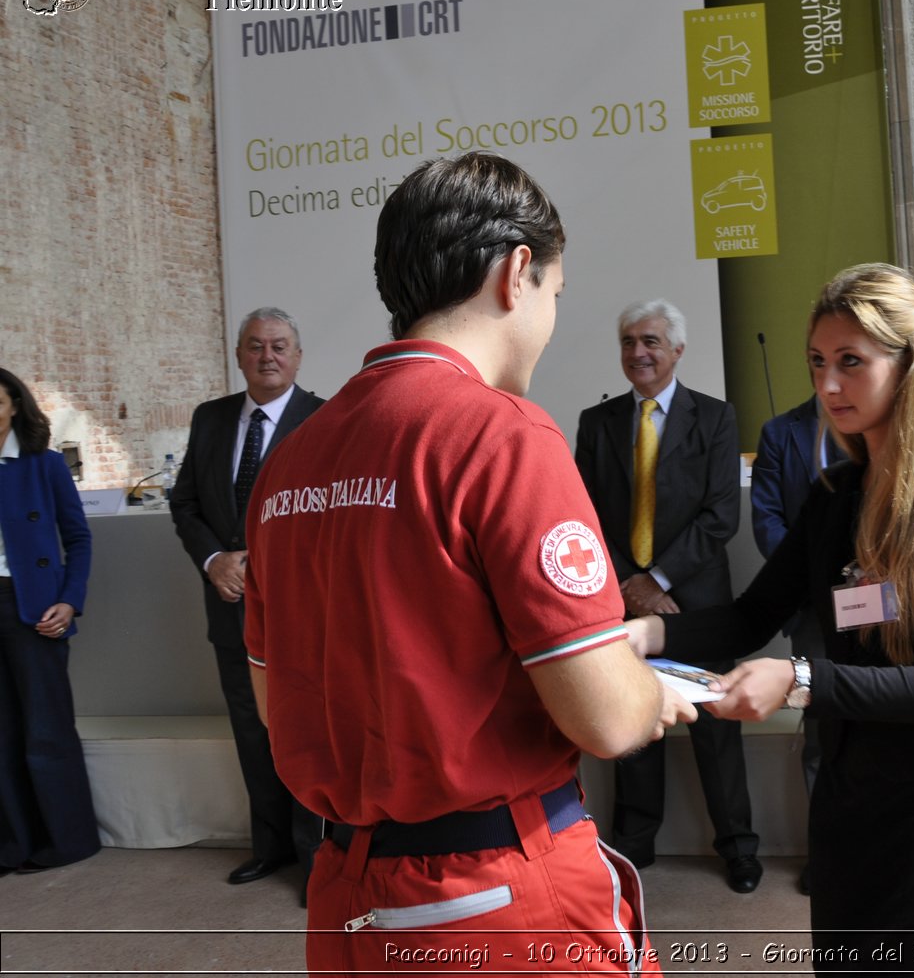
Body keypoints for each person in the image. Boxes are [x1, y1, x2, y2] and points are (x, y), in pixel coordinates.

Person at [243, 152, 695, 975]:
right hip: (494, 902)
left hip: (347, 898)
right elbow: (609, 719)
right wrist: (647, 688)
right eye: (555, 296)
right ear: (516, 272)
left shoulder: (291, 462)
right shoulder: (504, 435)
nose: (552, 319)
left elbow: (281, 704)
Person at [628, 265, 914, 969]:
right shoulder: (835, 493)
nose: (827, 385)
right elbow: (749, 617)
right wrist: (646, 632)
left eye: (851, 362)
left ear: (910, 363)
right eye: (818, 362)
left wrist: (801, 676)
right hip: (844, 795)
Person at [574, 300, 762, 893]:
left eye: (651, 341)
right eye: (629, 341)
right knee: (634, 725)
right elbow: (584, 517)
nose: (638, 353)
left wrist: (658, 582)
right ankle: (634, 842)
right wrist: (632, 586)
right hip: (621, 604)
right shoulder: (597, 423)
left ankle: (737, 845)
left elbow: (720, 516)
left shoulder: (716, 417)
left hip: (697, 605)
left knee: (716, 728)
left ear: (677, 350)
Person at [169, 308, 322, 889]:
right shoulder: (210, 419)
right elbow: (185, 504)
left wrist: (263, 563)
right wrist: (214, 561)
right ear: (239, 356)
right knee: (251, 732)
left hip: (298, 615)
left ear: (298, 356)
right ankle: (271, 848)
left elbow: (332, 514)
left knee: (303, 733)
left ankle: (315, 860)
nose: (267, 357)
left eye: (280, 346)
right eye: (255, 346)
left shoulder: (324, 419)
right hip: (229, 610)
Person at [0, 368, 97, 874]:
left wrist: (70, 600)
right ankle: (11, 845)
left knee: (46, 730)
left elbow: (78, 539)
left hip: (33, 606)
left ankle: (67, 840)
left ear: (14, 404)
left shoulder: (44, 464)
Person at [749, 393, 841, 894]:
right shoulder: (780, 431)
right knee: (819, 737)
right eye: (817, 358)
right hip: (809, 607)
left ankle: (879, 845)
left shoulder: (874, 422)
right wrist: (811, 578)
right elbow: (766, 518)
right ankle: (828, 853)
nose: (829, 373)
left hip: (876, 607)